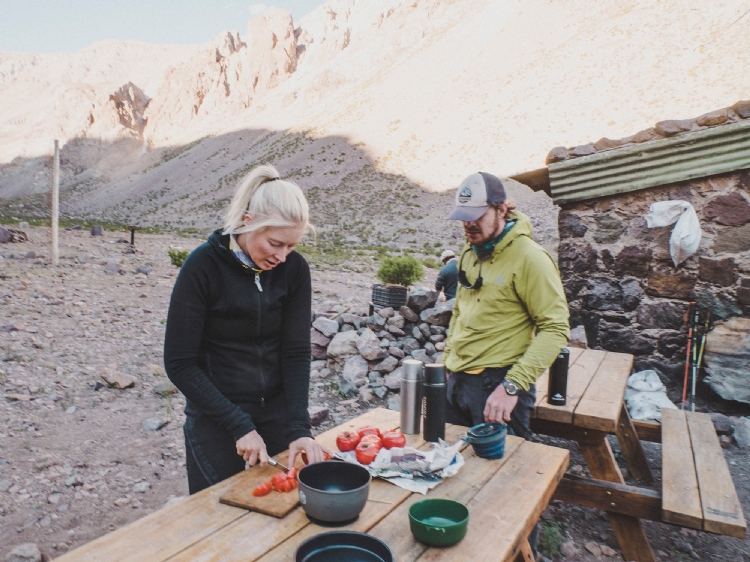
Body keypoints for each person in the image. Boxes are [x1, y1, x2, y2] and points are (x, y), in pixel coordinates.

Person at [164, 164, 328, 494]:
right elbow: (180, 363)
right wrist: (239, 425)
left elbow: (295, 352)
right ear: (248, 222)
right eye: (275, 243)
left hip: (277, 418)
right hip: (216, 421)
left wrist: (300, 427)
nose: (283, 257)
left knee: (285, 517)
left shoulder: (294, 271)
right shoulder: (202, 267)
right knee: (216, 521)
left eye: (292, 247)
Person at [443, 171, 569, 438]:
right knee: (450, 466)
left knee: (503, 474)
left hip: (498, 385)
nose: (469, 225)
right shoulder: (469, 251)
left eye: (477, 215)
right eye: (464, 217)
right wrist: (447, 362)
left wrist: (512, 386)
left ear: (501, 209)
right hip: (457, 380)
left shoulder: (530, 258)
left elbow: (556, 329)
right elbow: (460, 311)